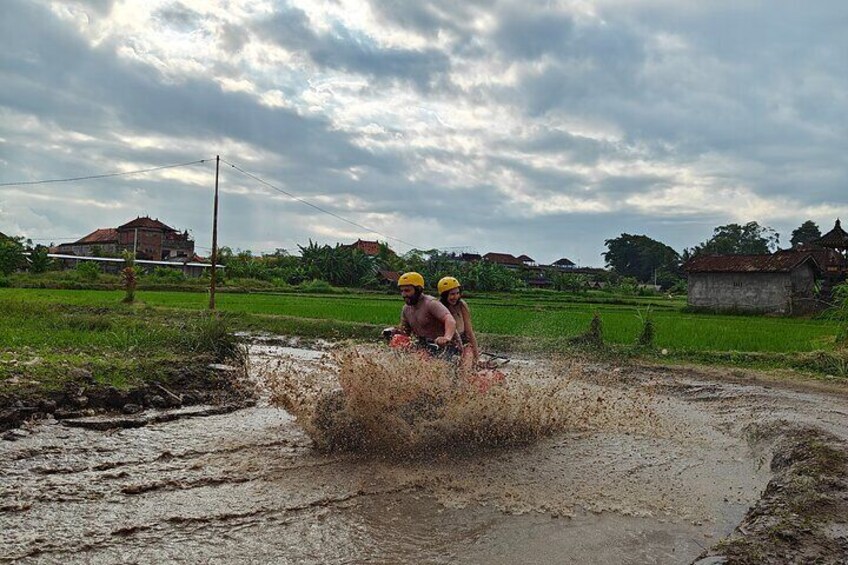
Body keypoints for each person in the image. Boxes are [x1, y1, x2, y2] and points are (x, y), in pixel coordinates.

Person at [395, 272, 458, 356]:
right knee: (397, 342)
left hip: (445, 348)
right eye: (402, 291)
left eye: (407, 291)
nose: (404, 294)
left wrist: (446, 337)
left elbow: (450, 320)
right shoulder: (406, 309)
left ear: (418, 289)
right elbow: (404, 331)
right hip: (424, 346)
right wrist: (393, 332)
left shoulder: (431, 303)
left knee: (422, 358)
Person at [438, 276, 479, 369]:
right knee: (442, 367)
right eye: (452, 294)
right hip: (447, 344)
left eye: (457, 293)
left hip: (463, 342)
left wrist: (477, 357)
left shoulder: (462, 305)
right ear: (444, 295)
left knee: (465, 368)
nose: (455, 297)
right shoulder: (438, 307)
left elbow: (469, 332)